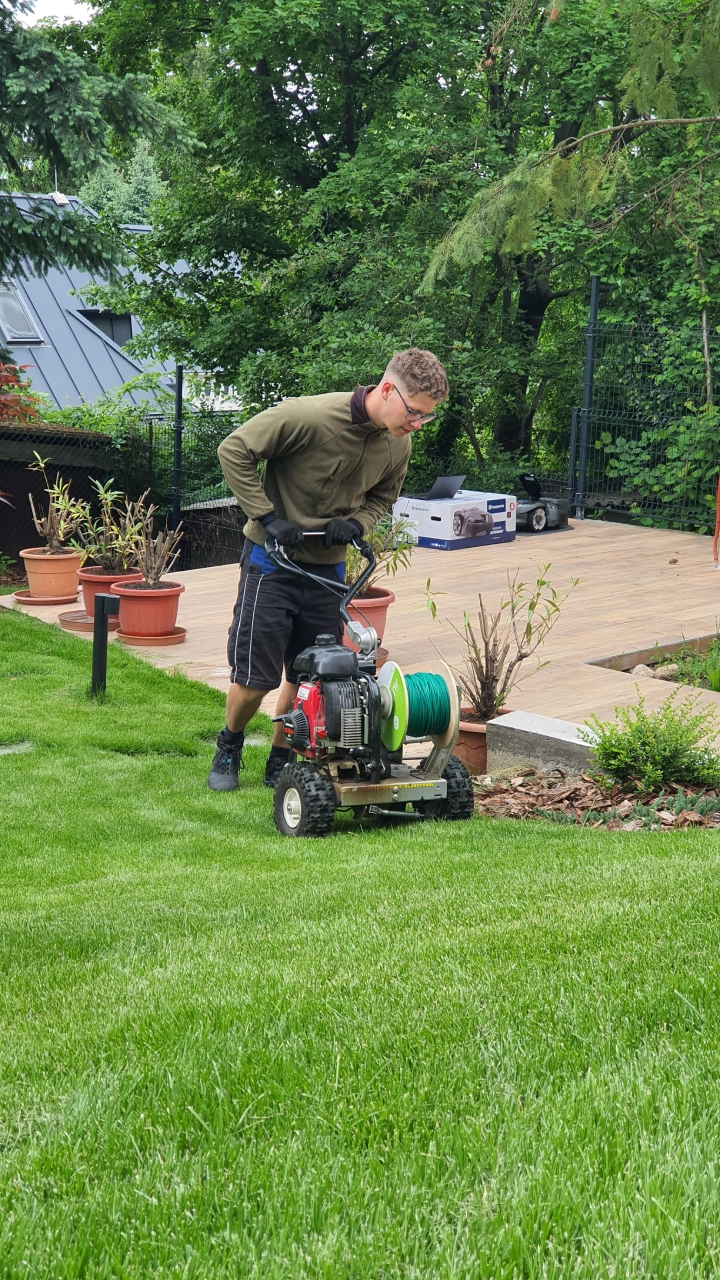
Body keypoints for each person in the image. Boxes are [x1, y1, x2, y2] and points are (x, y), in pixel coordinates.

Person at [207, 347, 449, 791]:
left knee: (312, 672)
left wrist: (357, 524)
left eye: (425, 417)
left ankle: (281, 756)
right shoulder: (309, 416)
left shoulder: (399, 442)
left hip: (327, 571)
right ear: (387, 389)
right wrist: (267, 516)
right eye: (414, 412)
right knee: (255, 676)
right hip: (271, 562)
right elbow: (234, 449)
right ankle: (230, 744)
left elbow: (383, 497)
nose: (416, 424)